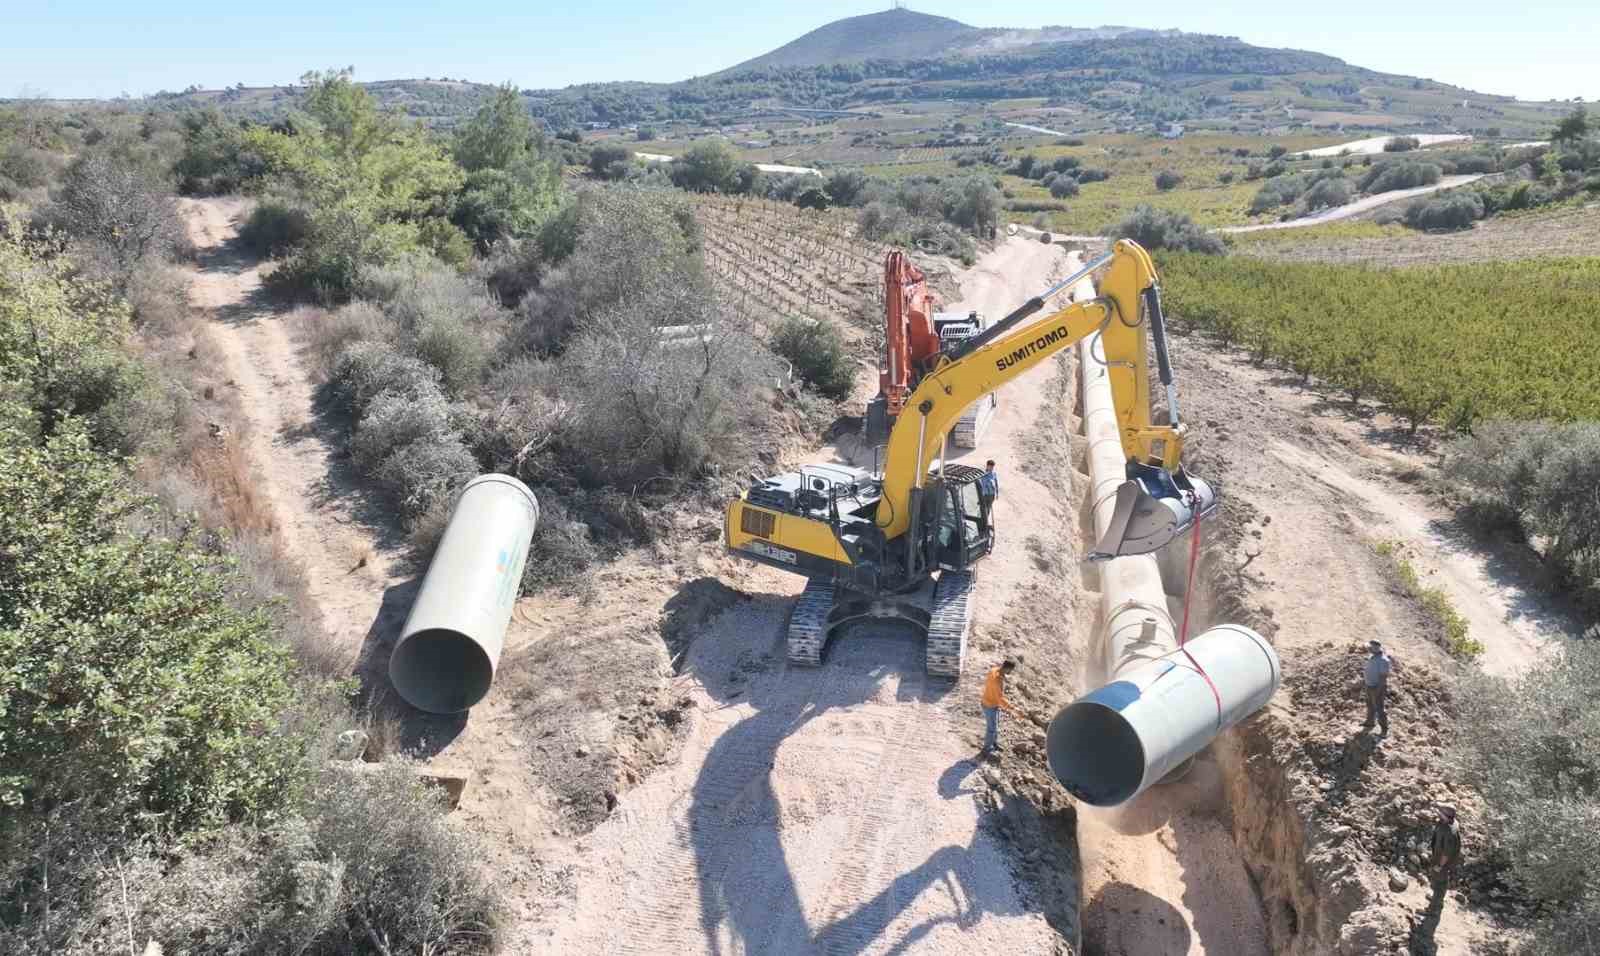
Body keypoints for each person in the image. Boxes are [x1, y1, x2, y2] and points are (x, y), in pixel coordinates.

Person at [979, 658, 1017, 757]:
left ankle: (994, 743)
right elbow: (1000, 699)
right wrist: (1012, 708)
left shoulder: (994, 670)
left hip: (991, 702)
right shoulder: (997, 681)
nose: (1010, 673)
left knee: (995, 725)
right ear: (1007, 669)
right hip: (989, 706)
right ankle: (985, 750)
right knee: (991, 728)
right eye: (1010, 671)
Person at [1363, 640, 1392, 735]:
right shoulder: (1372, 656)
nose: (1368, 649)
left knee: (1379, 708)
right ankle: (1370, 722)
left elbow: (1383, 678)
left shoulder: (1383, 660)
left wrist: (1377, 690)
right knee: (1370, 704)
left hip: (1377, 687)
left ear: (1375, 648)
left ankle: (1384, 729)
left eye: (1370, 648)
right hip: (1369, 685)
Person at [1430, 805, 1463, 890]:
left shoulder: (1450, 833)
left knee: (1440, 881)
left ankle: (1437, 901)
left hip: (1444, 862)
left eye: (1441, 813)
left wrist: (1439, 866)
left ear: (1446, 817)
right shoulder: (1450, 821)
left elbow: (1446, 854)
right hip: (1439, 854)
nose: (1439, 814)